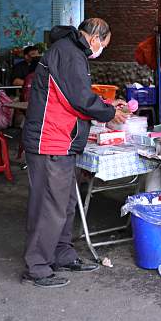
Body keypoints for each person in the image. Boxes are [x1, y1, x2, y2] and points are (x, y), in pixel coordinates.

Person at [20, 19, 129, 288]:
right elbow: (78, 99)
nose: (101, 49)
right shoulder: (68, 53)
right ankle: (37, 266)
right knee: (49, 207)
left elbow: (75, 94)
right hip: (50, 141)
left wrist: (106, 105)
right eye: (103, 44)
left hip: (62, 142)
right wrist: (109, 112)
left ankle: (62, 254)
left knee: (66, 203)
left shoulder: (71, 51)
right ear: (94, 39)